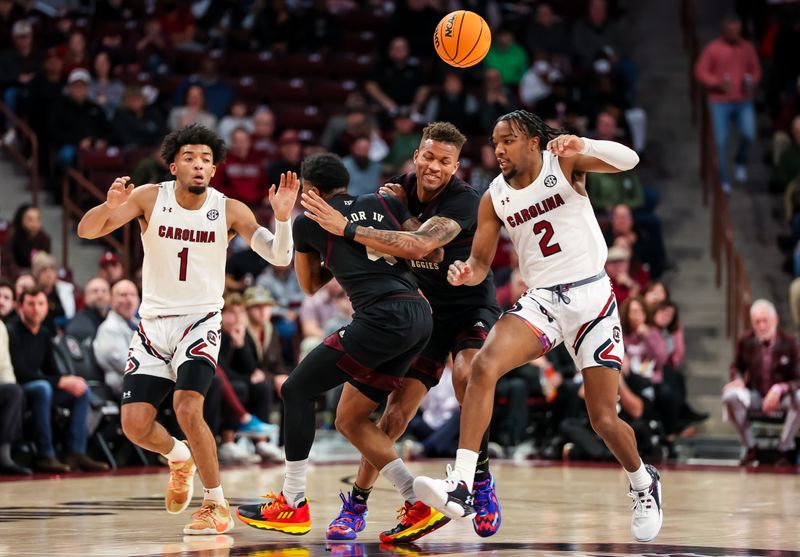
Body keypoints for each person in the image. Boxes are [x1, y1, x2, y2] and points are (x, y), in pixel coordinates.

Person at [412, 110, 663, 543]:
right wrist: (464, 273)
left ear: (532, 140)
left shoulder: (563, 163)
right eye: (495, 142)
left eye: (508, 140)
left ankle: (642, 481)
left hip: (592, 299)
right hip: (544, 300)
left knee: (602, 418)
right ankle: (463, 485)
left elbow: (630, 159)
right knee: (481, 367)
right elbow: (480, 263)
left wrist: (584, 144)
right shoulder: (493, 196)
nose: (500, 150)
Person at [76, 123, 299, 535]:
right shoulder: (148, 197)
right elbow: (86, 230)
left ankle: (215, 502)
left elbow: (280, 257)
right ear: (174, 164)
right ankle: (179, 456)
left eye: (207, 160)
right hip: (152, 325)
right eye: (191, 158)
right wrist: (108, 207)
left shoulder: (229, 208)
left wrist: (283, 219)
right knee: (135, 425)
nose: (199, 165)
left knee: (187, 407)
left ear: (214, 171)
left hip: (200, 322)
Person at [300, 122, 504, 539]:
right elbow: (379, 250)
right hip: (424, 313)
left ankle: (478, 482)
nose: (433, 166)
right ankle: (357, 504)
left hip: (469, 307)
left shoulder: (466, 199)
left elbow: (419, 246)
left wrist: (350, 228)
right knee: (392, 415)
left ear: (456, 166)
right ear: (415, 155)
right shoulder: (396, 187)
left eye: (444, 161)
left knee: (468, 376)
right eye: (428, 156)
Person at [236, 153, 443, 543]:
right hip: (420, 316)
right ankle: (416, 501)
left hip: (380, 317)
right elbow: (423, 245)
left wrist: (316, 239)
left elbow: (309, 285)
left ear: (310, 190)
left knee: (295, 389)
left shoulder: (308, 221)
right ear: (345, 184)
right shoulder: (385, 201)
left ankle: (293, 502)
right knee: (350, 420)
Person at [7, 288, 109, 473]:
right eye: (30, 304)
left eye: (40, 304)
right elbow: (19, 373)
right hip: (18, 389)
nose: (36, 309)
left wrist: (68, 380)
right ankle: (45, 455)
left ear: (47, 308)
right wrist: (60, 382)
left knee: (80, 389)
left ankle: (76, 453)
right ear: (20, 307)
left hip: (40, 387)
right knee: (43, 388)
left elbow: (51, 370)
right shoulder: (12, 331)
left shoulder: (44, 333)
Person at [723, 299, 800, 467]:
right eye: (757, 322)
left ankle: (783, 448)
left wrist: (780, 388)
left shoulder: (790, 342)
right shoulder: (746, 340)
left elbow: (798, 378)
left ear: (776, 320)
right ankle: (751, 447)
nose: (762, 326)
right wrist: (738, 379)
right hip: (756, 394)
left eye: (765, 320)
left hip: (783, 398)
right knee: (730, 395)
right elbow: (736, 366)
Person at [694, 14, 761, 192]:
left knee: (749, 134)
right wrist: (717, 82)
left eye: (737, 30)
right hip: (719, 102)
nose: (734, 33)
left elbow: (756, 70)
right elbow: (701, 72)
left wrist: (751, 80)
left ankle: (740, 161)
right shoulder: (713, 49)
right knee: (720, 142)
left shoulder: (747, 48)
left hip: (743, 100)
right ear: (724, 29)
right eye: (730, 30)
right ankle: (722, 179)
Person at [93, 279, 140, 398]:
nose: (129, 300)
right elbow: (128, 365)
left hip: (143, 383)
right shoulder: (109, 329)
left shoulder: (140, 324)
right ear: (111, 300)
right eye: (123, 295)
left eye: (133, 295)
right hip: (124, 390)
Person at [64, 276, 110, 341]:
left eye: (104, 291)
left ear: (110, 296)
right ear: (85, 297)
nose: (100, 295)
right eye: (95, 291)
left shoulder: (118, 320)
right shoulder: (77, 327)